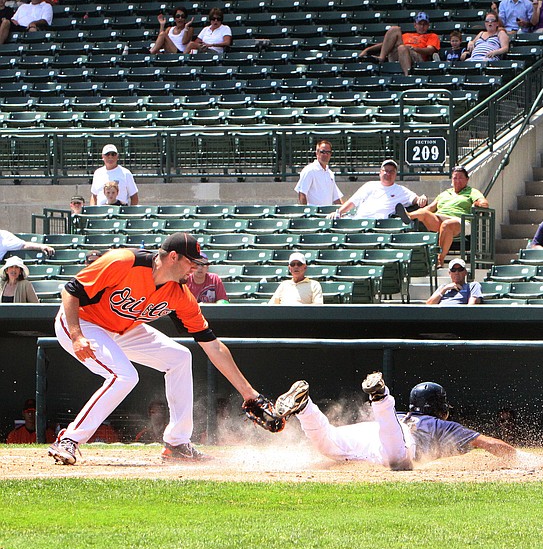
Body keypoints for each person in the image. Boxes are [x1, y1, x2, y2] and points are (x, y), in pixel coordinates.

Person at [46, 232, 282, 466]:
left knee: (179, 357)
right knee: (124, 376)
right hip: (83, 322)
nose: (195, 269)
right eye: (191, 262)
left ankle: (177, 444)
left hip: (124, 329)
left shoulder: (180, 295)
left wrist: (249, 393)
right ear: (173, 257)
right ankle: (68, 440)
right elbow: (71, 290)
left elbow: (212, 345)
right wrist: (77, 335)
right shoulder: (124, 261)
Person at [274, 373, 517, 470]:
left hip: (372, 431)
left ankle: (305, 407)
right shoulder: (441, 426)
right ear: (438, 407)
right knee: (398, 459)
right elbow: (489, 444)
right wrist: (520, 458)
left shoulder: (405, 414)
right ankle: (381, 398)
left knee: (328, 443)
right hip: (396, 435)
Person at [401, 166, 489, 268]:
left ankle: (440, 259)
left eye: (460, 178)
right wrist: (419, 213)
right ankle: (408, 216)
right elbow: (430, 208)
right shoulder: (445, 193)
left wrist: (476, 204)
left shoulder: (472, 192)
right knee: (424, 213)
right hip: (440, 217)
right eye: (455, 178)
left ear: (467, 179)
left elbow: (484, 203)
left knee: (446, 225)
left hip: (460, 221)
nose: (457, 180)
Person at [329, 159, 427, 220]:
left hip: (381, 224)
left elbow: (416, 199)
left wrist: (422, 199)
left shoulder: (401, 190)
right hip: (359, 220)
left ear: (395, 174)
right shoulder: (369, 185)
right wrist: (339, 212)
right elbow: (352, 202)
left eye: (391, 171)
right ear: (380, 172)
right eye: (386, 171)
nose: (388, 174)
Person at [358, 12, 440, 75]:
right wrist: (367, 50)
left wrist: (415, 49)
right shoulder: (406, 35)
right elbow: (386, 44)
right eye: (420, 24)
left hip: (417, 56)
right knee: (395, 29)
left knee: (402, 48)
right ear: (415, 25)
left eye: (424, 24)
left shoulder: (432, 36)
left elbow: (430, 50)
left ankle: (408, 76)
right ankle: (381, 58)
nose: (422, 27)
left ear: (428, 26)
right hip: (399, 54)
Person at [294, 139, 343, 207]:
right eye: (323, 152)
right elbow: (302, 194)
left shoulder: (330, 173)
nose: (326, 154)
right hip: (314, 213)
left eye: (328, 152)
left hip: (327, 212)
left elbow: (336, 198)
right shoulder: (309, 170)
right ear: (317, 153)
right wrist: (307, 211)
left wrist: (344, 210)